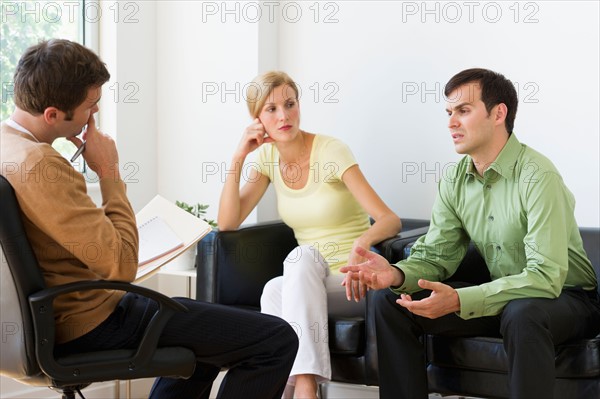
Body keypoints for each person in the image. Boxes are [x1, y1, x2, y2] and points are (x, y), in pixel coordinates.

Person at [0, 39, 298, 399]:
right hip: (90, 324)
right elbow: (123, 266)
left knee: (204, 349)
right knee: (276, 339)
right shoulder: (41, 165)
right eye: (89, 108)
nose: (93, 118)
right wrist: (109, 171)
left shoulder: (8, 147)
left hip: (52, 320)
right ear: (52, 114)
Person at [341, 68, 600, 399]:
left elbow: (546, 277)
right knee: (390, 302)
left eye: (463, 111)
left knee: (523, 312)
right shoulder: (454, 180)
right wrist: (394, 274)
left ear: (498, 113)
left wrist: (462, 299)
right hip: (500, 300)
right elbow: (437, 254)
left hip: (564, 299)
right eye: (449, 112)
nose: (451, 122)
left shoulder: (538, 175)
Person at [218, 71, 401, 398]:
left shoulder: (332, 151)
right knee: (273, 289)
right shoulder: (266, 160)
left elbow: (389, 219)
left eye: (290, 104)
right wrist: (237, 157)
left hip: (350, 281)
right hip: (308, 282)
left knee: (299, 259)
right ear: (257, 119)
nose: (284, 116)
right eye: (271, 109)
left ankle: (306, 387)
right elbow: (228, 224)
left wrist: (362, 243)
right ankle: (281, 391)